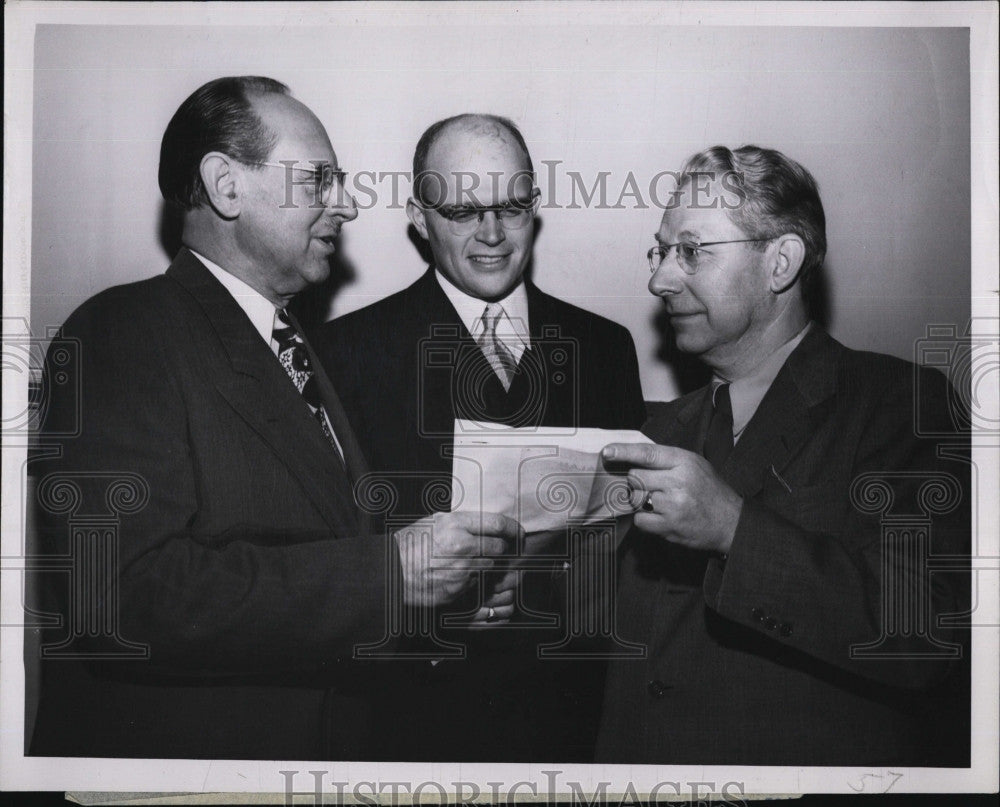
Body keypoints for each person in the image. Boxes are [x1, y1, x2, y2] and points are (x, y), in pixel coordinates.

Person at [27, 77, 520, 760]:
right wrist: (391, 576)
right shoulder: (122, 330)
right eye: (319, 180)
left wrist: (434, 596)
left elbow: (319, 560)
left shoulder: (297, 350)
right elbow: (120, 597)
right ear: (226, 186)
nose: (345, 206)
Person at [596, 145, 970, 765]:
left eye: (690, 250)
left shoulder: (903, 406)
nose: (659, 279)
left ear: (781, 262)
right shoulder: (657, 428)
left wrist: (733, 531)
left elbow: (927, 633)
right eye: (660, 251)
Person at [313, 114, 646, 761]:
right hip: (411, 723)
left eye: (512, 206)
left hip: (572, 720)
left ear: (535, 205)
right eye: (463, 210)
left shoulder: (605, 346)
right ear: (418, 215)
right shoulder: (345, 353)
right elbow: (333, 555)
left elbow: (627, 544)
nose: (492, 234)